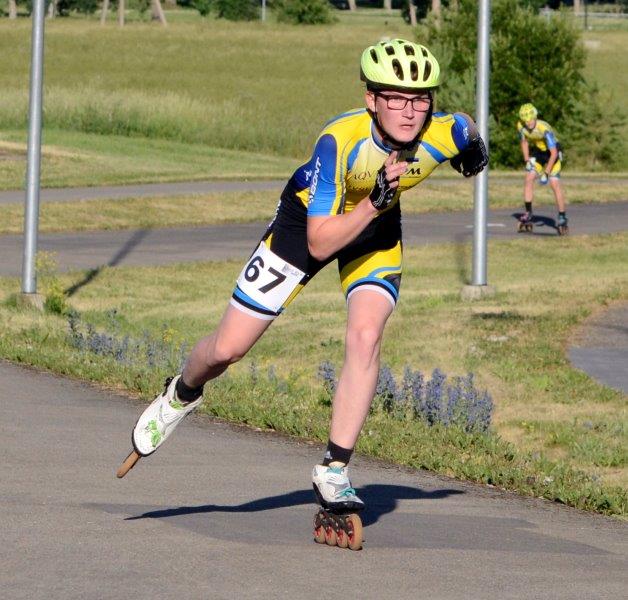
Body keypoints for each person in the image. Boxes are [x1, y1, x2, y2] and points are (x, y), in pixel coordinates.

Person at [124, 38, 488, 544]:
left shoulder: (441, 132)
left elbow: (464, 125)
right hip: (307, 226)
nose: (410, 111)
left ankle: (334, 468)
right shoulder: (338, 142)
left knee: (366, 337)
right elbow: (319, 242)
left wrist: (475, 147)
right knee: (228, 348)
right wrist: (373, 202)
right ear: (371, 99)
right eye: (395, 98)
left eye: (420, 98)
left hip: (375, 228)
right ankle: (181, 392)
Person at [517, 103, 569, 234]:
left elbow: (554, 153)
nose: (528, 123)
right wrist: (526, 159)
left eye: (531, 120)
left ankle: (562, 216)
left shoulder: (544, 128)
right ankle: (528, 213)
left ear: (535, 117)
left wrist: (546, 173)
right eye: (526, 121)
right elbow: (524, 142)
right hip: (539, 153)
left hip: (553, 152)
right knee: (529, 178)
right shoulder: (521, 127)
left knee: (554, 183)